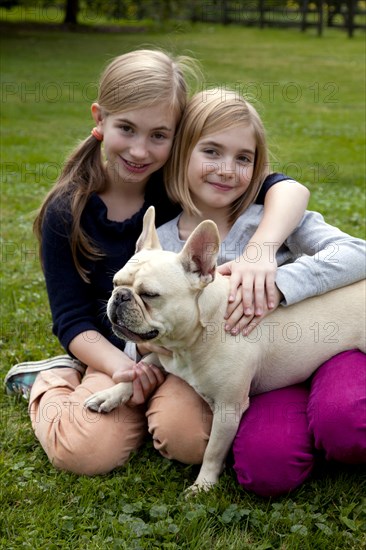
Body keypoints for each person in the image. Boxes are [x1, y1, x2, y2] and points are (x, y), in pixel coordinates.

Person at [4, 50, 311, 477]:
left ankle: (154, 412)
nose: (139, 150)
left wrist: (261, 249)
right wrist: (122, 368)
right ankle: (49, 382)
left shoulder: (180, 189)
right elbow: (72, 317)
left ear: (178, 139)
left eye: (159, 136)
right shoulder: (67, 211)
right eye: (126, 129)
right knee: (86, 453)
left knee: (188, 440)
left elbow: (284, 188)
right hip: (111, 351)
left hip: (185, 349)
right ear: (100, 119)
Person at [130, 88, 365, 497]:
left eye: (244, 158)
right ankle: (308, 427)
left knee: (347, 424)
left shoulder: (276, 217)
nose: (226, 169)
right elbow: (159, 326)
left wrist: (273, 275)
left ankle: (330, 418)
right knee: (266, 471)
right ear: (182, 153)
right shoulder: (160, 249)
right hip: (263, 378)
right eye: (212, 152)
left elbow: (358, 253)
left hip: (333, 346)